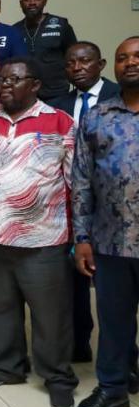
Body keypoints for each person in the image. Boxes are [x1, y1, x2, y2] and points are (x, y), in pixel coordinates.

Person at [0, 56, 78, 407]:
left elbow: (76, 182)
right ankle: (7, 366)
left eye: (14, 80)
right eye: (2, 81)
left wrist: (79, 233)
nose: (5, 86)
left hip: (42, 238)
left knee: (50, 314)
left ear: (35, 85)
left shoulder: (59, 122)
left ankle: (57, 377)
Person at [72, 36, 139, 407]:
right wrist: (82, 237)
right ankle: (113, 386)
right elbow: (82, 178)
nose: (129, 63)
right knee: (114, 320)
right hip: (111, 239)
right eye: (122, 58)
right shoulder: (99, 115)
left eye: (136, 56)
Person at [49, 41, 120, 363]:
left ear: (101, 64)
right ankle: (79, 345)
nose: (77, 68)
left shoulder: (121, 98)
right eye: (71, 63)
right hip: (70, 202)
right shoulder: (58, 104)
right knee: (73, 280)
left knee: (115, 290)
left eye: (85, 61)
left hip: (114, 207)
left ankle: (122, 359)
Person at [14, 0, 78, 100]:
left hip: (57, 94)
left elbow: (73, 57)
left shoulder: (61, 25)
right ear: (21, 3)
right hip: (26, 96)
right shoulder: (15, 30)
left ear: (45, 2)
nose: (32, 2)